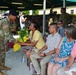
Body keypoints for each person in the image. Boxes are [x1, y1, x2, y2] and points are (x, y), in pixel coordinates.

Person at [0, 9, 18, 75]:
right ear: (10, 15)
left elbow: (10, 32)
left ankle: (1, 65)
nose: (15, 18)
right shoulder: (5, 22)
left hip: (2, 40)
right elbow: (7, 35)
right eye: (15, 16)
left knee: (2, 53)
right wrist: (16, 41)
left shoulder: (9, 21)